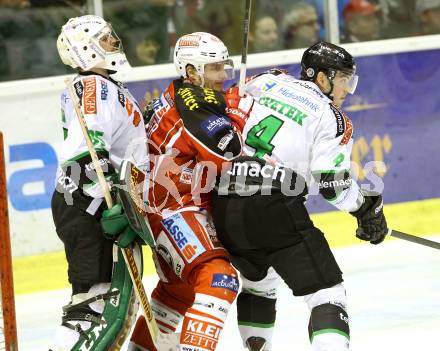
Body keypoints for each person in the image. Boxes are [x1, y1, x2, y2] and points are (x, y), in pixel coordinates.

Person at [211, 42, 389, 351]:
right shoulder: (332, 119)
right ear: (322, 78)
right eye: (343, 79)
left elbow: (228, 105)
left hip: (223, 198)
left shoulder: (268, 79)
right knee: (327, 294)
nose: (347, 89)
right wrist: (364, 209)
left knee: (259, 282)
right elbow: (333, 186)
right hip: (273, 203)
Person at [128, 32, 244, 351]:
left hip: (158, 210)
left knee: (177, 293)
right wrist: (236, 113)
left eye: (224, 67)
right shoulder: (196, 107)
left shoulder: (176, 93)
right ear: (191, 72)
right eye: (214, 69)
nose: (223, 76)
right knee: (219, 278)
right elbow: (228, 157)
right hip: (173, 211)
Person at [51, 15, 149, 350]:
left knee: (105, 303)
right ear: (86, 49)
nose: (113, 42)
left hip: (94, 197)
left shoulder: (109, 87)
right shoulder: (93, 86)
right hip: (87, 199)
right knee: (89, 303)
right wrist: (106, 197)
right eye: (105, 38)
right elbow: (86, 151)